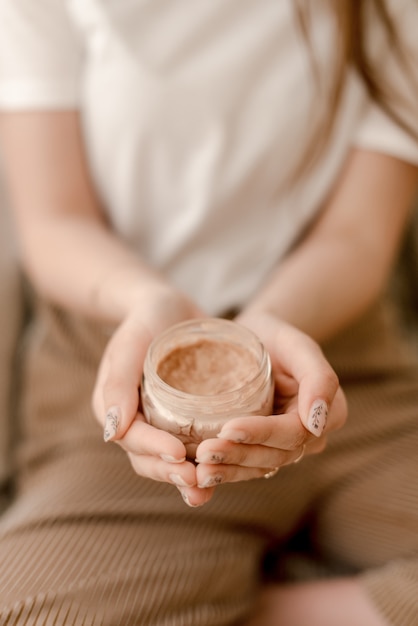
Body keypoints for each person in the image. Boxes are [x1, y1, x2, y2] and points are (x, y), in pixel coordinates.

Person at [0, 0, 417, 624]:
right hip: (128, 389)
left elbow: (356, 237)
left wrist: (272, 322)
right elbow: (55, 222)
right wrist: (148, 303)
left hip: (336, 373)